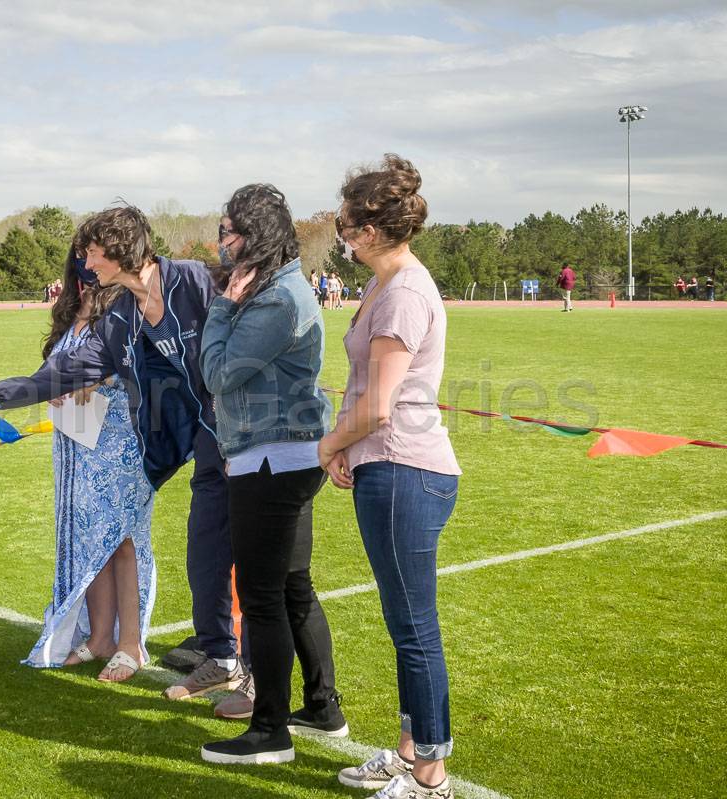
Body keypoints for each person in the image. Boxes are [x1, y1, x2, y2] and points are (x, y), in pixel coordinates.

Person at [0, 205, 246, 707]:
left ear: (119, 250)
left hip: (240, 432)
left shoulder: (193, 280)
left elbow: (240, 344)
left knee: (259, 561)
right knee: (205, 553)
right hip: (189, 441)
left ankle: (254, 677)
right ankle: (221, 658)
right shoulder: (120, 313)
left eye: (91, 252)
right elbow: (69, 371)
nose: (84, 262)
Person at [320, 155, 462, 799]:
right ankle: (409, 753)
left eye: (348, 222)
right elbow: (365, 391)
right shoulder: (385, 283)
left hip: (407, 467)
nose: (341, 232)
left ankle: (430, 774)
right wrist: (349, 446)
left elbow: (380, 403)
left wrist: (331, 443)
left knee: (413, 625)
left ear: (370, 229)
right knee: (403, 619)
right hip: (387, 463)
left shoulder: (403, 290)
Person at [198, 185, 345, 765]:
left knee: (263, 595)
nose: (222, 242)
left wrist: (221, 308)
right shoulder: (276, 288)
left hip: (271, 459)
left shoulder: (274, 299)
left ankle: (270, 730)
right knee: (290, 587)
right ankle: (322, 706)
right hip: (281, 456)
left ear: (256, 235)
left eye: (230, 230)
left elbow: (217, 373)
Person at [24, 245, 156, 681]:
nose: (89, 265)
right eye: (82, 256)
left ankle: (129, 643)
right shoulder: (71, 310)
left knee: (122, 539)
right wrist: (56, 384)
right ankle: (99, 636)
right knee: (90, 538)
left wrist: (100, 377)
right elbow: (56, 368)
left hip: (119, 440)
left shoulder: (124, 307)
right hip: (76, 442)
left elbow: (142, 365)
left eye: (95, 255)